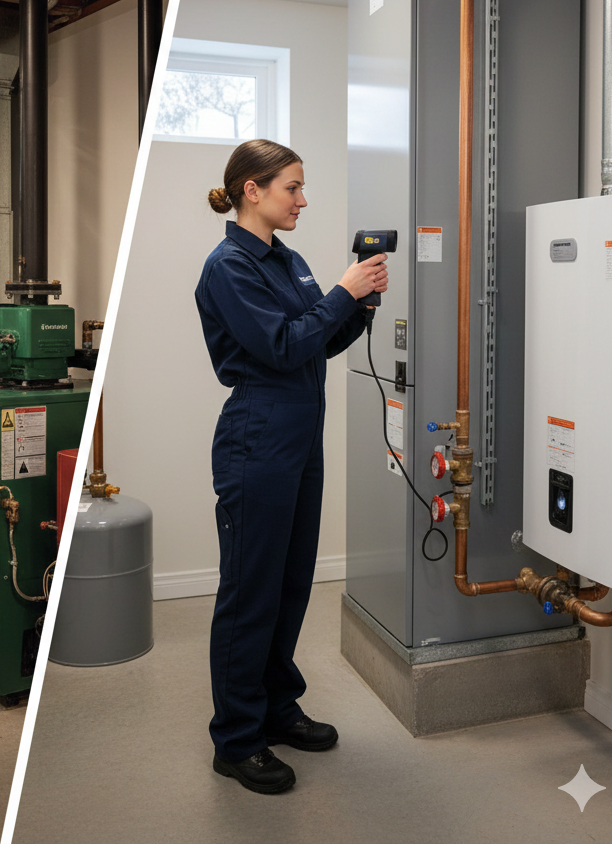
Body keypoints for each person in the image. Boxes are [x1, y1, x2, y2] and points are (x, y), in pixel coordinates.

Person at [195, 139, 388, 794]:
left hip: (302, 436)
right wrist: (341, 291)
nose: (302, 200)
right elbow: (279, 346)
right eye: (292, 188)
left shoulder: (289, 259)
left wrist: (358, 305)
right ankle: (237, 738)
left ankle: (277, 708)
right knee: (251, 591)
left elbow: (317, 339)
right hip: (259, 437)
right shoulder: (229, 267)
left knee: (291, 584)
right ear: (253, 189)